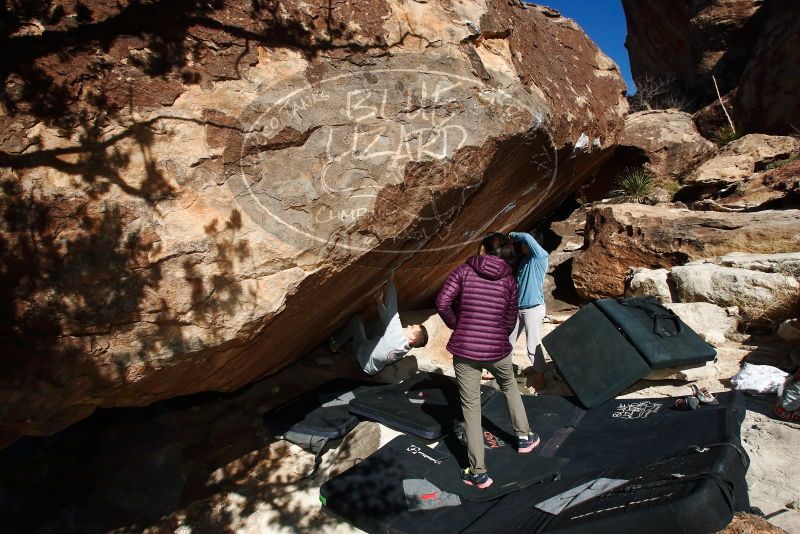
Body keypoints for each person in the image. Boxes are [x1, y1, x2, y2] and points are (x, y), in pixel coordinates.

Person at [436, 232, 540, 489]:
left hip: (465, 349)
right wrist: (499, 335)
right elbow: (510, 317)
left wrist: (457, 325)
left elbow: (442, 302)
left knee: (471, 409)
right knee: (510, 387)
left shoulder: (463, 271)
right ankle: (525, 437)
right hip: (497, 348)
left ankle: (478, 472)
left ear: (483, 250)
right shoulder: (509, 280)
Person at [330, 272, 428, 375]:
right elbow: (388, 321)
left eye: (412, 327)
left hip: (362, 356)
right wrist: (379, 302)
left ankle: (336, 345)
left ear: (412, 337)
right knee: (384, 324)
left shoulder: (396, 334)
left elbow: (392, 307)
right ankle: (363, 337)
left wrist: (390, 282)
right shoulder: (408, 346)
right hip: (373, 369)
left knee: (356, 320)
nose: (409, 325)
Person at [508, 230, 549, 391]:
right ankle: (504, 371)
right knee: (508, 341)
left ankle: (540, 375)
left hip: (533, 308)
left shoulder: (540, 257)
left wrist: (511, 235)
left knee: (533, 344)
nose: (522, 246)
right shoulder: (525, 261)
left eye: (524, 244)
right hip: (518, 307)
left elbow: (526, 237)